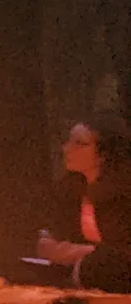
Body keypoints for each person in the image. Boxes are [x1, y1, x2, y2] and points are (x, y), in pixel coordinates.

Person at [33, 121, 131, 292]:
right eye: (69, 141)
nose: (67, 149)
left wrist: (74, 252)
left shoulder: (123, 193)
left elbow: (118, 251)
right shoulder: (72, 190)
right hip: (81, 263)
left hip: (113, 266)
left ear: (103, 154)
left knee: (98, 267)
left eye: (79, 144)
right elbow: (58, 237)